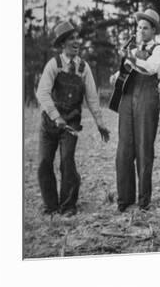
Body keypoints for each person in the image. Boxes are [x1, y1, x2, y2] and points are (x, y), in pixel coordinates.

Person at [36, 21, 110, 216]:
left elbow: (92, 98)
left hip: (72, 124)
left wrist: (100, 123)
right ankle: (51, 205)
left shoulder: (84, 68)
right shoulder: (54, 64)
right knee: (44, 162)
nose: (76, 42)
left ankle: (68, 205)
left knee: (67, 161)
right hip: (49, 124)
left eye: (77, 38)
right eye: (71, 39)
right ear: (62, 44)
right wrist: (56, 116)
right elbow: (42, 93)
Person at [112, 9, 160, 212]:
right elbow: (125, 72)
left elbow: (149, 69)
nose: (141, 31)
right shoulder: (133, 51)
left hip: (147, 99)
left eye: (145, 28)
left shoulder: (159, 51)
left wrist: (131, 60)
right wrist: (116, 75)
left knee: (144, 149)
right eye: (138, 27)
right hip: (128, 101)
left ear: (153, 30)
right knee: (124, 149)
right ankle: (124, 200)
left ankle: (144, 201)